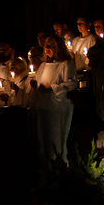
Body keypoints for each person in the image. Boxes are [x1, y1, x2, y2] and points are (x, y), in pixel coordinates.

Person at [31, 34, 77, 166]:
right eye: (46, 46)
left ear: (58, 48)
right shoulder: (43, 66)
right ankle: (46, 166)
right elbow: (39, 82)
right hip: (43, 106)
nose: (48, 49)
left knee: (56, 137)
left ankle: (59, 165)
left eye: (51, 46)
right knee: (43, 137)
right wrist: (35, 85)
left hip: (58, 106)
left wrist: (52, 87)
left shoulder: (65, 64)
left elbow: (72, 83)